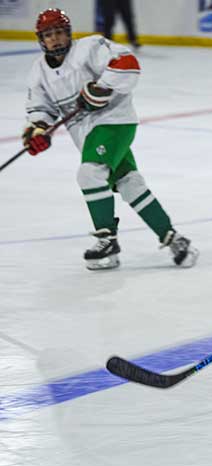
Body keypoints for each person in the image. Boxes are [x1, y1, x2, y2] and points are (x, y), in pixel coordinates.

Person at [23, 8, 197, 270]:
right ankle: (174, 239)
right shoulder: (39, 72)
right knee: (130, 182)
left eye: (59, 32)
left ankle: (106, 240)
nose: (55, 39)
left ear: (68, 33)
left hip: (115, 121)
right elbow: (40, 110)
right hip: (88, 135)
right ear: (41, 39)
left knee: (89, 173)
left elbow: (127, 63)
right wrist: (38, 132)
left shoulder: (90, 47)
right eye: (48, 35)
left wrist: (101, 88)